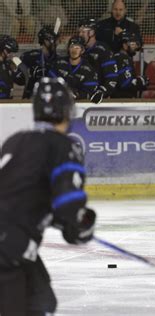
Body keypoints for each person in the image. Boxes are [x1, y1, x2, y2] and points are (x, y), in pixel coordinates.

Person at [0, 77, 96, 315]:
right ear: (66, 109)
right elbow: (68, 206)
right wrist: (80, 224)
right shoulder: (63, 146)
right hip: (8, 249)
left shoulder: (16, 140)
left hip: (11, 244)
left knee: (41, 299)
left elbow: (20, 194)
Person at [78, 18, 119, 104]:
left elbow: (112, 78)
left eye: (83, 31)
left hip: (99, 101)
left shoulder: (103, 50)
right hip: (81, 97)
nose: (80, 34)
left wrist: (101, 92)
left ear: (92, 32)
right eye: (79, 31)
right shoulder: (77, 50)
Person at [48, 36, 99, 100]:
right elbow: (49, 82)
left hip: (79, 105)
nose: (74, 50)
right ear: (68, 49)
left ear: (82, 50)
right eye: (72, 47)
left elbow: (90, 91)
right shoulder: (58, 63)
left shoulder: (89, 69)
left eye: (77, 48)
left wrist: (77, 95)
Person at [14, 26, 59, 99]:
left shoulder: (59, 60)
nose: (55, 43)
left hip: (52, 100)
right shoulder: (29, 57)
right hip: (31, 98)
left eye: (55, 40)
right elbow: (18, 79)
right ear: (43, 41)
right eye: (51, 40)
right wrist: (29, 74)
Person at [112, 31, 148, 98]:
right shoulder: (123, 58)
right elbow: (125, 83)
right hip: (122, 100)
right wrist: (141, 81)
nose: (135, 47)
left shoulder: (118, 57)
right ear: (125, 45)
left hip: (119, 98)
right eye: (132, 44)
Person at [0, 35, 20, 99]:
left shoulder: (8, 64)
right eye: (9, 51)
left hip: (7, 100)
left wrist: (16, 69)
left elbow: (20, 81)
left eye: (12, 52)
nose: (11, 54)